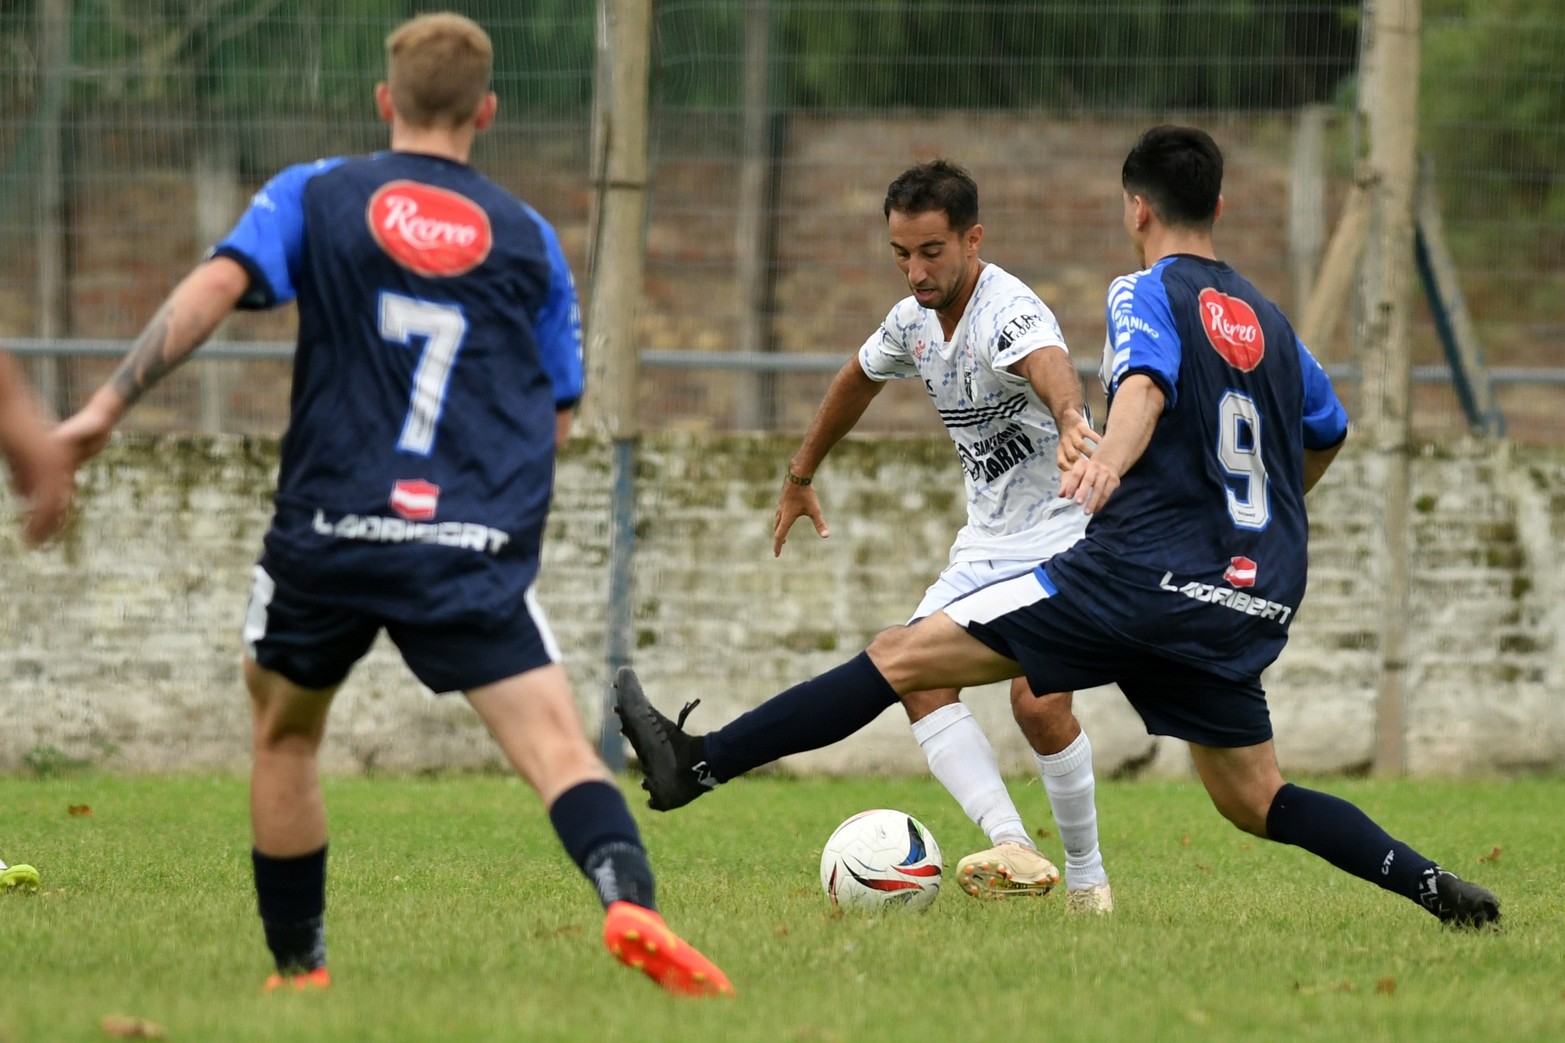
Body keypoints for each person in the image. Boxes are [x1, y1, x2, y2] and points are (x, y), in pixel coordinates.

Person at [618, 126, 1501, 928]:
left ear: (1135, 208)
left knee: (901, 657)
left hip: (1131, 579)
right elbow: (1327, 432)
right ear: (1220, 206)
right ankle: (1436, 890)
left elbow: (1144, 388)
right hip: (1243, 597)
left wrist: (1110, 462)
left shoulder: (1144, 289)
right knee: (1256, 799)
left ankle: (695, 764)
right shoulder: (1273, 325)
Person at [54, 13, 732, 996]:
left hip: (327, 529)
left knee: (284, 734)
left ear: (385, 101)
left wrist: (104, 407)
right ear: (486, 112)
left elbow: (213, 288)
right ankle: (630, 900)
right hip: (463, 537)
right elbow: (557, 414)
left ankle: (300, 972)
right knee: (551, 741)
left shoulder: (313, 193)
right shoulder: (528, 237)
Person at [618, 159, 1114, 914]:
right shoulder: (913, 322)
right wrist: (799, 471)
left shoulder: (1007, 312)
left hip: (1063, 536)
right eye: (900, 254)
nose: (914, 271)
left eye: (931, 252)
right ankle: (1013, 844)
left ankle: (1086, 880)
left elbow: (1046, 364)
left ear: (972, 239)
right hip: (986, 546)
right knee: (915, 674)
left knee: (1035, 704)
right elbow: (857, 375)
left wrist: (1073, 418)